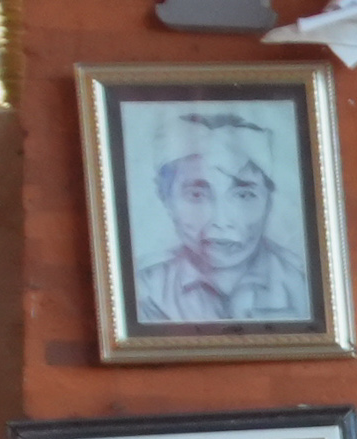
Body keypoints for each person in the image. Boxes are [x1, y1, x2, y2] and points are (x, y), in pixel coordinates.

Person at [134, 108, 316, 327]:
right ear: (165, 198)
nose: (221, 222)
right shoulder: (142, 288)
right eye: (197, 195)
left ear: (269, 199)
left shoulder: (306, 283)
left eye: (244, 195)